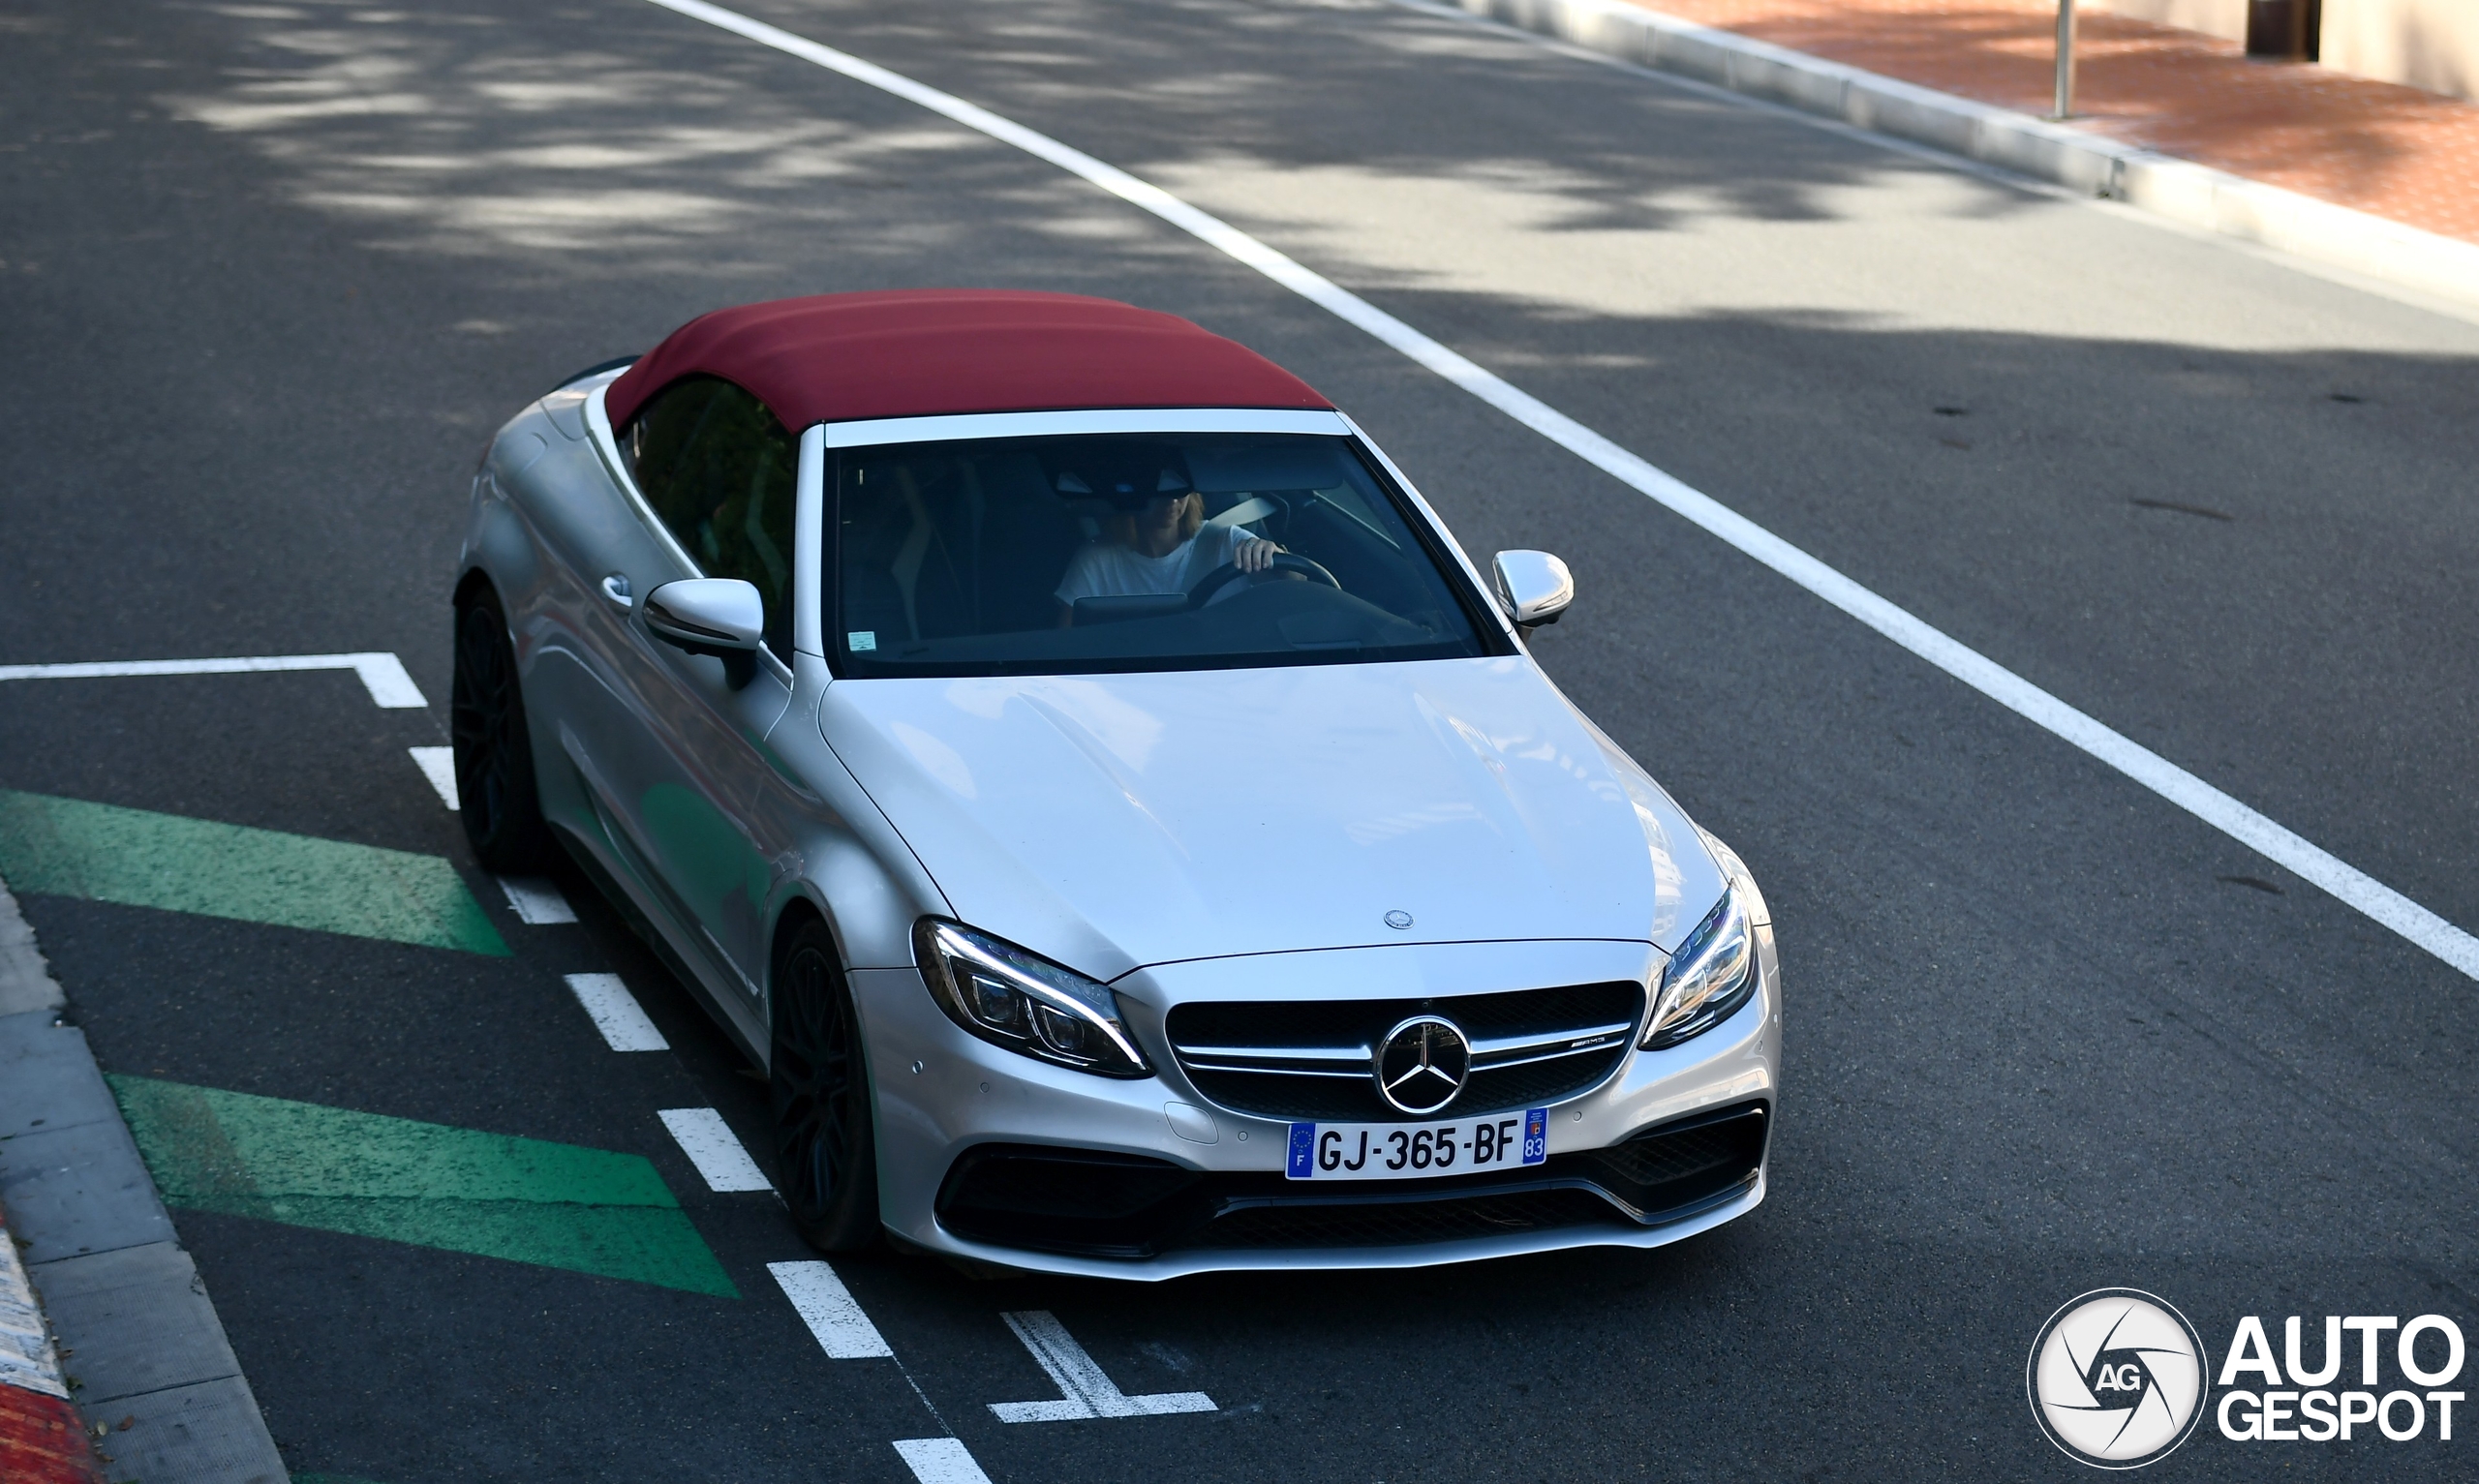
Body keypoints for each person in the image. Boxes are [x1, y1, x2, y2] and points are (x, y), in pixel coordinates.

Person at [1054, 487, 1279, 622]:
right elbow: (1067, 640)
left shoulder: (1226, 540)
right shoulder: (1096, 559)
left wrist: (1271, 555)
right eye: (1159, 491)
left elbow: (1293, 587)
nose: (1171, 501)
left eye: (1179, 490)